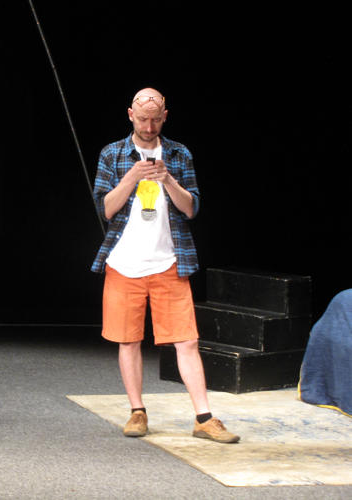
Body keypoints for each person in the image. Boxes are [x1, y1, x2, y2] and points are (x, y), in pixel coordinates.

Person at [91, 88, 239, 443]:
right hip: (124, 263)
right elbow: (105, 209)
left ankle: (203, 417)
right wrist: (132, 177)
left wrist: (167, 179)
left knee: (187, 341)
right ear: (130, 114)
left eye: (156, 119)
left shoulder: (178, 153)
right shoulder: (112, 153)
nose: (149, 126)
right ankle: (137, 411)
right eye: (143, 119)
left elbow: (191, 208)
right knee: (128, 340)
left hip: (169, 262)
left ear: (165, 116)